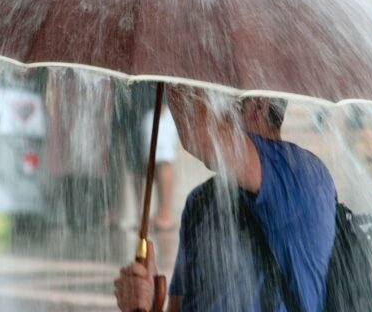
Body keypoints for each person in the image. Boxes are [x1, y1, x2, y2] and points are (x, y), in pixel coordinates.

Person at [115, 86, 337, 311]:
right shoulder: (201, 200)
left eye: (219, 97)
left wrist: (170, 64)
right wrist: (147, 303)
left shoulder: (301, 174)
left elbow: (199, 132)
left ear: (260, 104)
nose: (213, 108)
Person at [139, 99, 179, 231]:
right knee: (155, 160)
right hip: (147, 106)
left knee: (162, 158)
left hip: (159, 106)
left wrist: (163, 103)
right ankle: (161, 213)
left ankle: (165, 215)